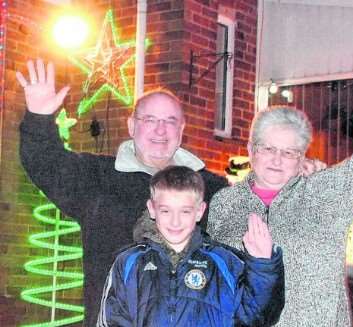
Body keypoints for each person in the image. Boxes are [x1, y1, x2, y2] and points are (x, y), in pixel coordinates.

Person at [205, 52, 353, 326]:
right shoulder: (224, 203)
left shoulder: (324, 193)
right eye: (268, 148)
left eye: (289, 152)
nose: (276, 159)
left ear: (302, 157)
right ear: (250, 150)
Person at [16, 59, 227, 326]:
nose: (160, 130)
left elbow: (257, 226)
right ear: (131, 126)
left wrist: (292, 179)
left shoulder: (214, 189)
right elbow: (47, 163)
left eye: (170, 121)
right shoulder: (98, 178)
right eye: (149, 119)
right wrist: (38, 117)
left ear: (181, 130)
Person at [97, 166, 284, 326]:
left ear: (199, 211)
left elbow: (258, 316)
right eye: (166, 210)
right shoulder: (128, 263)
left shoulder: (225, 263)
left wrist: (263, 267)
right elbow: (111, 320)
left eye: (185, 211)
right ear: (152, 209)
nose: (175, 221)